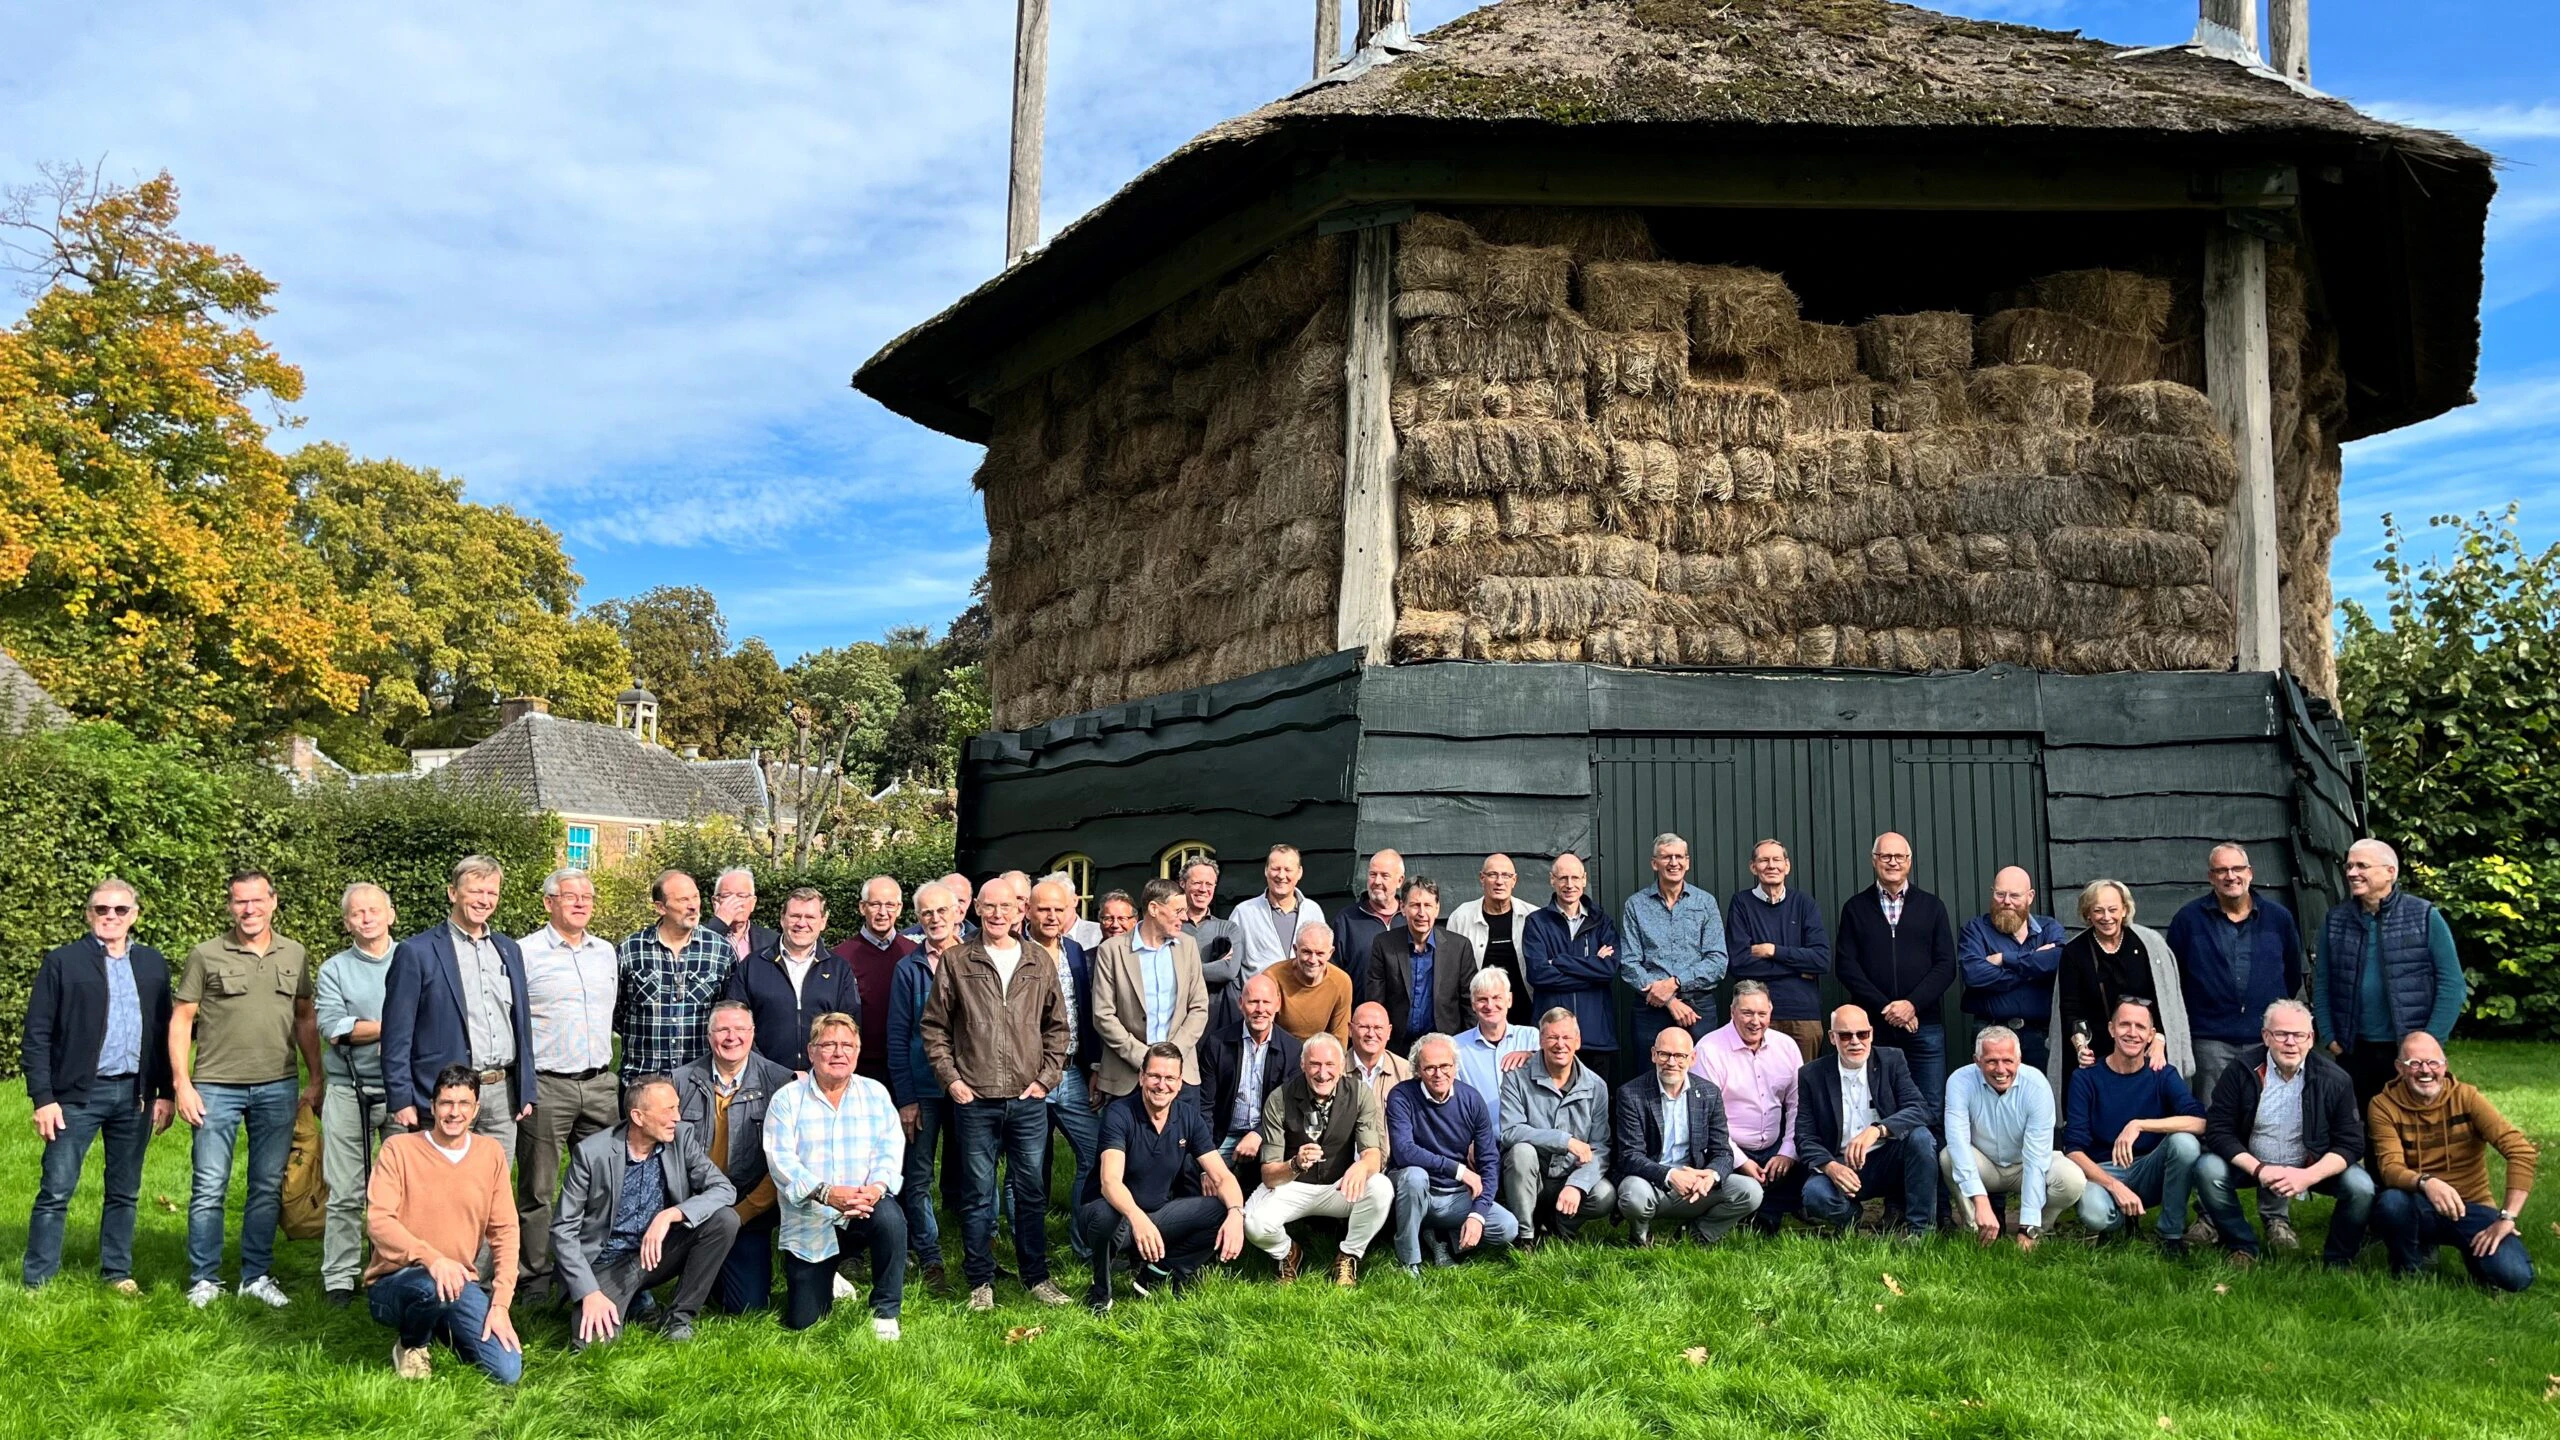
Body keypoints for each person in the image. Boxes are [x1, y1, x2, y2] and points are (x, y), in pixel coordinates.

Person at [171, 868, 323, 1308]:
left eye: (257, 900)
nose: (249, 909)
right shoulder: (205, 955)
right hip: (215, 1087)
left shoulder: (294, 953)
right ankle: (204, 1279)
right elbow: (181, 1019)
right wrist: (182, 1084)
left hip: (277, 1085)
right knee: (209, 1185)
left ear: (273, 901)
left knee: (266, 1185)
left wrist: (316, 1078)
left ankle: (255, 1276)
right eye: (240, 901)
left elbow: (305, 1017)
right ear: (230, 906)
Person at [920, 880, 1074, 1311]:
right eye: (989, 906)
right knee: (977, 1194)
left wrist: (1045, 1080)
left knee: (1031, 1193)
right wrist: (952, 1081)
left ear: (1020, 910)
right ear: (976, 909)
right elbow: (934, 1027)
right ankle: (980, 1281)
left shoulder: (1037, 960)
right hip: (975, 1099)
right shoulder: (957, 961)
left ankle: (1036, 1276)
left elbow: (1058, 1027)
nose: (997, 914)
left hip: (1028, 1099)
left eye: (1006, 906)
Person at [21, 877, 174, 1293]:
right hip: (76, 1097)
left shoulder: (152, 963)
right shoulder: (63, 962)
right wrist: (43, 1099)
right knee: (56, 1190)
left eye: (120, 909)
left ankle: (117, 1272)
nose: (111, 916)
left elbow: (163, 1031)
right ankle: (38, 1280)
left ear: (134, 915)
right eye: (102, 909)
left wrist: (166, 1093)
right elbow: (37, 1034)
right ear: (89, 914)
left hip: (135, 1096)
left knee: (124, 1191)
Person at [553, 1074, 739, 1346]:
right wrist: (589, 1292)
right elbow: (563, 1230)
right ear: (638, 1117)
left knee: (724, 1220)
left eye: (677, 1107)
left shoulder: (680, 1137)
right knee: (593, 1344)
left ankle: (678, 1319)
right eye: (668, 1110)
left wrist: (671, 1215)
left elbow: (724, 1189)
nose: (677, 1117)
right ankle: (634, 1299)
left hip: (658, 1252)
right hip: (607, 1263)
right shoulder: (591, 1154)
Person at [364, 1065, 523, 1383]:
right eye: (447, 1103)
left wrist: (501, 1303)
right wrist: (431, 1258)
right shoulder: (399, 1149)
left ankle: (439, 1323)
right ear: (432, 1106)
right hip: (397, 1280)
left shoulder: (490, 1153)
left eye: (464, 1104)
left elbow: (505, 1230)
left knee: (507, 1370)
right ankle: (412, 1343)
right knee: (431, 1288)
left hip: (459, 1282)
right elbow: (378, 1221)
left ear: (475, 1109)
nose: (454, 1112)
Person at [2194, 1000, 2372, 1267]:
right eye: (2281, 1034)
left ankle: (2338, 1259)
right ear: (2266, 1036)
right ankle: (2242, 1245)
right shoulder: (2240, 1071)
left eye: (2299, 1035)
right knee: (2208, 1169)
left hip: (2309, 1165)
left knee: (2361, 1187)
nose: (2291, 1043)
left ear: (2311, 1039)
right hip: (2251, 1163)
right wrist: (2259, 1169)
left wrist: (2308, 1176)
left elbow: (2351, 1142)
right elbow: (2219, 1130)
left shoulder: (2335, 1079)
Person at [761, 1014, 907, 1338]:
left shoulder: (875, 1093)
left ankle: (885, 1311)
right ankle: (830, 1278)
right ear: (811, 1051)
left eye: (847, 1045)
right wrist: (826, 1193)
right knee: (806, 1322)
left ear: (857, 1051)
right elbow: (781, 1162)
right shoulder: (787, 1099)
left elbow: (890, 1149)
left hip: (863, 1208)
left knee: (891, 1220)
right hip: (812, 1217)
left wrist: (876, 1188)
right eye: (829, 1045)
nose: (839, 1053)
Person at [513, 867, 620, 1304]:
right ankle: (535, 1278)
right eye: (570, 896)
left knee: (604, 1182)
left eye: (587, 897)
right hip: (548, 1085)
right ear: (548, 902)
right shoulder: (524, 953)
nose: (580, 903)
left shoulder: (605, 953)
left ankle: (591, 1269)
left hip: (599, 1083)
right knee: (538, 1189)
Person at [382, 856, 535, 1151]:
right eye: (475, 891)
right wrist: (401, 1098)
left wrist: (526, 1089)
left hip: (501, 1096)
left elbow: (521, 1024)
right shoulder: (417, 952)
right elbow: (396, 1034)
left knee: (493, 1178)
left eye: (491, 893)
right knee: (442, 1179)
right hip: (444, 1095)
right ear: (453, 893)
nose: (484, 900)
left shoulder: (508, 950)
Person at [1080, 1043, 1248, 1311]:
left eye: (1170, 1078)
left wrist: (1237, 1214)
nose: (1162, 1085)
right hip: (1113, 1214)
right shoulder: (1119, 1113)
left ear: (1180, 1083)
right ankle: (1100, 1292)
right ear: (1141, 1077)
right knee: (1105, 1216)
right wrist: (1137, 1218)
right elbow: (1109, 1182)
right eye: (1155, 1076)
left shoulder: (1187, 1116)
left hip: (1157, 1215)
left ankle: (1159, 1273)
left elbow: (1222, 1177)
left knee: (1221, 1209)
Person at [2368, 1032, 2537, 1291]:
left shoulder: (2467, 1097)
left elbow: (2521, 1151)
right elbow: (2390, 1169)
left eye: (2433, 1063)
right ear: (2399, 1068)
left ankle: (2475, 1255)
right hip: (2419, 1204)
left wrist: (2507, 1217)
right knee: (2391, 1202)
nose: (2425, 1071)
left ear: (2445, 1065)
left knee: (2515, 1277)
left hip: (2472, 1206)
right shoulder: (2382, 1105)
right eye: (2415, 1063)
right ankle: (2409, 1270)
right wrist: (2427, 1183)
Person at [2316, 839, 2465, 1112]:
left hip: (2408, 1052)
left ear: (2390, 872)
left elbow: (2452, 985)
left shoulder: (2424, 916)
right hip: (2353, 1049)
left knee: (2412, 1125)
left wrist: (2429, 1043)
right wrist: (2329, 1036)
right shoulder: (2335, 920)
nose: (2352, 873)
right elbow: (2322, 981)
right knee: (2358, 1126)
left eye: (2362, 866)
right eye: (2349, 866)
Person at [1241, 1034, 1391, 1286]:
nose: (1323, 1073)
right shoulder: (1279, 1098)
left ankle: (1348, 1255)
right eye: (1315, 1064)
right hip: (1293, 1185)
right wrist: (1294, 1164)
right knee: (1254, 1224)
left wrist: (1363, 1166)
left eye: (1330, 1065)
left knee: (1382, 1188)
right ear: (1303, 1065)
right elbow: (1269, 1175)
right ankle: (1288, 1252)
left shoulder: (1359, 1093)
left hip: (1338, 1187)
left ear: (1341, 1066)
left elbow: (1373, 1154)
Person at [2064, 1000, 2209, 1255]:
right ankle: (2120, 1220)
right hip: (2104, 1169)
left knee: (2185, 1143)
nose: (2132, 1033)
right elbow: (2073, 1150)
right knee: (2096, 1215)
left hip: (2150, 1168)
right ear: (2111, 1029)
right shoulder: (2086, 1077)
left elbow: (2200, 1122)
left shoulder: (2163, 1074)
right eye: (2125, 1025)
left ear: (2151, 1035)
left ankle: (2171, 1235)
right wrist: (2115, 1186)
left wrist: (2140, 1125)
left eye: (2140, 1027)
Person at [672, 1001, 791, 1313]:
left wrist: (743, 1213)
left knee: (747, 1306)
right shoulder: (679, 1081)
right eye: (722, 1029)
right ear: (709, 1035)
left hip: (747, 1209)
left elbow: (784, 1164)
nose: (731, 1037)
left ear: (753, 1033)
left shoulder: (780, 1082)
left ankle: (718, 1270)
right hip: (694, 1204)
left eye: (740, 1029)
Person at [1833, 832, 1957, 1127]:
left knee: (1930, 1107)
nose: (1892, 862)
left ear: (1909, 861)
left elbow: (1946, 966)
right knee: (1876, 1106)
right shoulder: (1855, 908)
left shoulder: (1932, 907)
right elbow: (1846, 966)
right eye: (1885, 856)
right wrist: (1887, 1008)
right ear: (1874, 860)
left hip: (1923, 1026)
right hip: (1873, 1029)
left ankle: (1927, 1158)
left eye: (1899, 856)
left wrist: (1911, 1005)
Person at [2166, 844, 2304, 1106]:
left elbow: (2292, 975)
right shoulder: (2188, 920)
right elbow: (2175, 980)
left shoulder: (2278, 919)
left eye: (2237, 868)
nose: (2230, 876)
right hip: (2210, 1041)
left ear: (2250, 872)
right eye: (2221, 870)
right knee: (2214, 1115)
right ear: (2211, 877)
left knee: (2269, 1113)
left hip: (2266, 1037)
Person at [315, 883, 400, 1305]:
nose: (366, 918)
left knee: (403, 1191)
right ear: (347, 921)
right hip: (349, 1089)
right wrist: (395, 1027)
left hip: (403, 1090)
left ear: (391, 914)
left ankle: (398, 1268)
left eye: (374, 910)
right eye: (357, 913)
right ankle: (340, 1277)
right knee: (346, 1190)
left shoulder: (413, 959)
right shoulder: (334, 969)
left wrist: (365, 1027)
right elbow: (335, 1028)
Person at [885, 880, 966, 1290]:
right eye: (927, 913)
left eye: (942, 911)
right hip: (924, 1089)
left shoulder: (976, 958)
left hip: (970, 1086)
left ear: (958, 914)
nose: (935, 919)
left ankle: (981, 1248)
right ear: (918, 919)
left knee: (976, 1170)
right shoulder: (908, 968)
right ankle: (930, 1255)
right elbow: (898, 1036)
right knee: (917, 1176)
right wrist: (906, 1098)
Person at [1796, 1005, 1938, 1238]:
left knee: (1922, 1138)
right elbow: (1804, 1136)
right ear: (1832, 1037)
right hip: (1843, 1164)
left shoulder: (1891, 1060)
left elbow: (1920, 1109)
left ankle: (1920, 1232)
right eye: (1845, 1035)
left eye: (1862, 1034)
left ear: (1871, 1034)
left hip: (1888, 1158)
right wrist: (1830, 1167)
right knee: (1815, 1194)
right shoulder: (1812, 1075)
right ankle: (1851, 1218)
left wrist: (1878, 1130)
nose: (1855, 1042)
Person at [1614, 1026, 1761, 1246]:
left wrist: (1711, 1176)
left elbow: (1723, 1151)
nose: (1671, 1062)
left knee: (1751, 1192)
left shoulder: (1709, 1093)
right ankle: (1640, 1236)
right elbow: (1629, 1156)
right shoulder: (1631, 1094)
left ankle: (1695, 1234)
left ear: (1692, 1058)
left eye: (1680, 1056)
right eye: (1664, 1054)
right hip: (1652, 1183)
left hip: (1696, 1184)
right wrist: (1670, 1174)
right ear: (1653, 1054)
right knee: (1633, 1195)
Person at [1386, 1034, 1519, 1274]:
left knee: (1507, 1226)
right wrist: (1459, 1171)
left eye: (1445, 1066)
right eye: (1430, 1068)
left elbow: (1489, 1160)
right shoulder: (1401, 1095)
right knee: (1414, 1176)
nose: (1439, 1074)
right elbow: (1404, 1151)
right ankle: (1409, 1260)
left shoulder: (1471, 1099)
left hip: (1455, 1196)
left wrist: (1478, 1214)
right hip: (1417, 1192)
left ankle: (1443, 1239)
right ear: (1417, 1070)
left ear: (1455, 1066)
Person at [1941, 1026, 2082, 1248]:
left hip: (2024, 1165)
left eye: (2008, 1061)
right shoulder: (1959, 1081)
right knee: (1948, 1157)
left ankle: (2036, 1231)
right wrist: (1981, 1200)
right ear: (1977, 1061)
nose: (2001, 1069)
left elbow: (2036, 1159)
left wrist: (2028, 1224)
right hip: (1985, 1164)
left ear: (2019, 1059)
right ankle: (1976, 1228)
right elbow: (1958, 1142)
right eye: (1991, 1061)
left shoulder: (2036, 1085)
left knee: (2072, 1179)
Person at [2051, 879, 2194, 1092]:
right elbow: (2071, 1009)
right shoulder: (2074, 952)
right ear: (2088, 914)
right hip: (2097, 1057)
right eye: (2098, 910)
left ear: (2125, 910)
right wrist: (2081, 1047)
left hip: (2147, 1053)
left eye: (2113, 909)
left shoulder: (2149, 944)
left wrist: (2159, 1040)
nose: (2106, 917)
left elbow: (2165, 1002)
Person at [1026, 876, 1103, 1256]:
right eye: (1043, 909)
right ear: (1028, 911)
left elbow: (1085, 1012)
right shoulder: (1014, 952)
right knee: (1026, 1165)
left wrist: (1094, 1067)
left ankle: (1082, 1243)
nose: (1051, 916)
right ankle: (1026, 1247)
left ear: (1071, 910)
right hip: (1027, 1076)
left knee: (1096, 1153)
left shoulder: (1074, 951)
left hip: (1070, 1072)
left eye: (1059, 909)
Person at [1691, 982, 1804, 1233]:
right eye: (1747, 1013)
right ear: (1732, 1012)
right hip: (1726, 1148)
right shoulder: (1709, 1050)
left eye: (1762, 1014)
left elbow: (1798, 1104)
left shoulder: (1786, 1046)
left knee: (1811, 1148)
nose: (1756, 1021)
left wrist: (1787, 1152)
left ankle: (1771, 1210)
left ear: (1770, 1012)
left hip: (1775, 1148)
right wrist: (1740, 1161)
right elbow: (1704, 1118)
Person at [1497, 1008, 1616, 1245]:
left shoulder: (1596, 1086)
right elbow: (1510, 1131)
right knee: (1521, 1152)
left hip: (1568, 1174)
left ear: (1578, 1042)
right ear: (1541, 1040)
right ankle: (1526, 1235)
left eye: (1566, 1037)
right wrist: (1565, 1141)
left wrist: (1577, 1185)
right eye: (1552, 1037)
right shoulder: (1516, 1077)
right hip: (1530, 1176)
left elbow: (1600, 1148)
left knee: (1604, 1195)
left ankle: (1559, 1226)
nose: (1560, 1044)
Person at [1090, 877, 1211, 1099]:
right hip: (1128, 1075)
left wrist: (1172, 1057)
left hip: (1180, 1074)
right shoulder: (1112, 950)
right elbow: (1103, 1015)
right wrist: (1144, 1058)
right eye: (1178, 911)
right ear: (1154, 909)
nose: (1185, 917)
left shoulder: (1188, 946)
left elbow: (1199, 1007)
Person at [722, 887, 863, 1072]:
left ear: (823, 922)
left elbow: (849, 1028)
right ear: (782, 919)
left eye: (810, 917)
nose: (802, 923)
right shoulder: (752, 965)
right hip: (762, 1077)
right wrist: (766, 1070)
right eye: (795, 916)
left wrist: (819, 1071)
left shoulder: (839, 969)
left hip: (821, 1077)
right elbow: (735, 1023)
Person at [615, 869, 734, 1080]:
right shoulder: (631, 949)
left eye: (695, 897)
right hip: (643, 1078)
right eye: (683, 900)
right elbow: (616, 1011)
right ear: (660, 907)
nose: (693, 905)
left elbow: (729, 1009)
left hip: (699, 1079)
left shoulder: (719, 950)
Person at [1618, 832, 1726, 1051]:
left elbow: (1717, 961)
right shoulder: (1636, 905)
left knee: (1701, 1069)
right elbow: (1629, 964)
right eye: (1666, 857)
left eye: (1679, 857)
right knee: (1652, 1069)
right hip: (1651, 1009)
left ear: (1687, 862)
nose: (1674, 862)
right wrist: (1669, 1000)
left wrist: (1676, 983)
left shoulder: (1705, 902)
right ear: (1654, 863)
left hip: (1698, 1008)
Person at [1724, 839, 1830, 1061]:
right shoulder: (1742, 903)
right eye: (1764, 860)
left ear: (1787, 866)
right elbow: (1739, 963)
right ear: (1753, 867)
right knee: (1755, 1079)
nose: (1771, 865)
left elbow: (1821, 960)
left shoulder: (1805, 904)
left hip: (1802, 1015)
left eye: (1777, 860)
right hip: (1756, 1015)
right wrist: (1799, 968)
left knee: (1804, 1079)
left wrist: (1772, 951)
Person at [1958, 867, 2066, 1072]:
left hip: (2041, 1036)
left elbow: (2058, 960)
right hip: (1991, 1034)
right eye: (2000, 894)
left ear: (2030, 896)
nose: (2006, 901)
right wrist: (2034, 967)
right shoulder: (1975, 930)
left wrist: (2004, 958)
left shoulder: (2049, 928)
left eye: (2015, 895)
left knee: (2042, 1090)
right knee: (1990, 1092)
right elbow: (1974, 974)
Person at [1522, 853, 1621, 1075]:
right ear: (1552, 880)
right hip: (1553, 1038)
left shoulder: (1601, 922)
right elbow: (1538, 974)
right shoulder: (1537, 922)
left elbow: (1608, 970)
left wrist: (1558, 961)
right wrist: (1592, 969)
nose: (1569, 884)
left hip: (1595, 1036)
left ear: (1584, 880)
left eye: (1575, 878)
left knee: (1595, 1097)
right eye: (1563, 878)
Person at [1199, 972, 1303, 1166]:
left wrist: (1258, 1133)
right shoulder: (1217, 1044)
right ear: (1241, 1003)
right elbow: (1205, 1106)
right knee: (1195, 1173)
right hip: (1222, 1138)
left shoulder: (1292, 1050)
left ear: (1278, 1004)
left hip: (1269, 1136)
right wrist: (1208, 1159)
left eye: (1266, 1002)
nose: (1260, 1009)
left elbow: (1290, 1106)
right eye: (1253, 1002)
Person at [1366, 878, 1477, 1055]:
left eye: (1428, 905)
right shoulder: (1384, 945)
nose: (1422, 913)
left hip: (1445, 1046)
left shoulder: (1459, 948)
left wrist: (1467, 1050)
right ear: (1403, 908)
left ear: (1437, 908)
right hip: (1397, 1047)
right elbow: (1375, 1001)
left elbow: (1470, 1004)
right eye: (1415, 905)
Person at [831, 876, 918, 1088]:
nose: (882, 912)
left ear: (899, 909)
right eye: (875, 904)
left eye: (890, 905)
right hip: (859, 1067)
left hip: (908, 1065)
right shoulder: (840, 957)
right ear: (862, 907)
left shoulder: (914, 954)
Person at [1446, 855, 1533, 1026]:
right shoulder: (1461, 917)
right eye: (1493, 875)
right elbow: (1450, 972)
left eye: (1506, 875)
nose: (1499, 882)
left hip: (1526, 1014)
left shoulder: (1531, 916)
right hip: (1479, 1015)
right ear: (1482, 878)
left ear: (1514, 880)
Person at [1229, 845, 1326, 981]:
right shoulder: (1244, 913)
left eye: (1288, 870)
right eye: (1275, 869)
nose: (1281, 875)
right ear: (1266, 870)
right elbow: (1230, 963)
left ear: (1299, 873)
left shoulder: (1313, 911)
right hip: (1259, 994)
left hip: (1303, 993)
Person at [1453, 968, 1537, 1115]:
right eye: (1482, 999)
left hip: (1529, 1128)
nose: (1490, 1005)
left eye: (1497, 997)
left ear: (1509, 1000)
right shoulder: (1456, 1047)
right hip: (1479, 1129)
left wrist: (1535, 1057)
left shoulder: (1531, 1038)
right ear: (1473, 1004)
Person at [1331, 850, 1405, 1006]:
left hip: (1404, 1016)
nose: (1377, 881)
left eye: (1384, 876)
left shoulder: (1409, 919)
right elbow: (1333, 974)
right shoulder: (1347, 920)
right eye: (1372, 874)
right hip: (1361, 1015)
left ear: (1400, 881)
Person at [1272, 924, 1353, 1045]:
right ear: (1295, 950)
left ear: (1330, 953)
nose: (1312, 960)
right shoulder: (1273, 978)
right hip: (1280, 1049)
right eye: (1306, 952)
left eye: (1320, 953)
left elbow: (1340, 1038)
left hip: (1320, 1052)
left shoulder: (1341, 982)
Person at [1177, 859, 1241, 1006]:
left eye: (1209, 884)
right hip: (1177, 1008)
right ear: (1182, 883)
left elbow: (1229, 971)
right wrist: (1214, 967)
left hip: (1217, 1009)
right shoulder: (1172, 926)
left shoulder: (1228, 928)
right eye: (1197, 883)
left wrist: (1182, 970)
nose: (1203, 889)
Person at [1344, 1002, 1414, 1114]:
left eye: (1378, 1028)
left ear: (1389, 1031)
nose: (1371, 1034)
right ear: (1350, 1029)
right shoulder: (1334, 1069)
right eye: (1364, 1027)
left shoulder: (1407, 1072)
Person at [706, 867, 781, 970]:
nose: (735, 902)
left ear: (753, 903)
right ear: (715, 902)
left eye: (741, 896)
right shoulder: (697, 937)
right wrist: (719, 924)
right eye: (727, 896)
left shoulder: (772, 940)